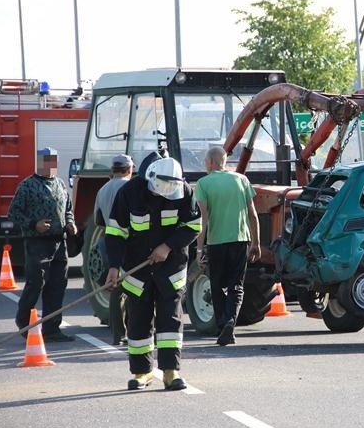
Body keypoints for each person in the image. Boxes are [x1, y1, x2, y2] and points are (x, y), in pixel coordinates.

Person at [105, 153, 201, 391]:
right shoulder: (129, 193)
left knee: (171, 319)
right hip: (136, 269)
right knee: (138, 319)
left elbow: (193, 225)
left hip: (170, 267)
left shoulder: (183, 191)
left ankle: (171, 372)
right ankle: (142, 372)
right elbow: (116, 232)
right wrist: (114, 266)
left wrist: (167, 246)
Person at [8, 147, 78, 341]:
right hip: (37, 243)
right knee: (36, 283)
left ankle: (52, 329)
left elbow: (68, 209)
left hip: (59, 242)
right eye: (47, 161)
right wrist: (34, 224)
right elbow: (13, 213)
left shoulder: (60, 184)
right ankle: (24, 323)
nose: (51, 165)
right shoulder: (27, 186)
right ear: (39, 162)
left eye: (53, 161)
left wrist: (70, 223)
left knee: (57, 285)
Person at [195, 146, 260, 347]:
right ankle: (230, 322)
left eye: (206, 161)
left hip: (216, 243)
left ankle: (224, 323)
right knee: (236, 286)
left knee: (216, 285)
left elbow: (202, 220)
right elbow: (253, 215)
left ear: (211, 162)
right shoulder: (241, 180)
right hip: (241, 240)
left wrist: (199, 249)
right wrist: (256, 243)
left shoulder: (203, 183)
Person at [93, 154, 134, 345]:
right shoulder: (131, 188)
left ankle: (118, 334)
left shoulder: (102, 190)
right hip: (131, 242)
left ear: (113, 170)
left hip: (111, 241)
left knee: (116, 290)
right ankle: (137, 330)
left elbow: (98, 221)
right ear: (130, 169)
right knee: (137, 288)